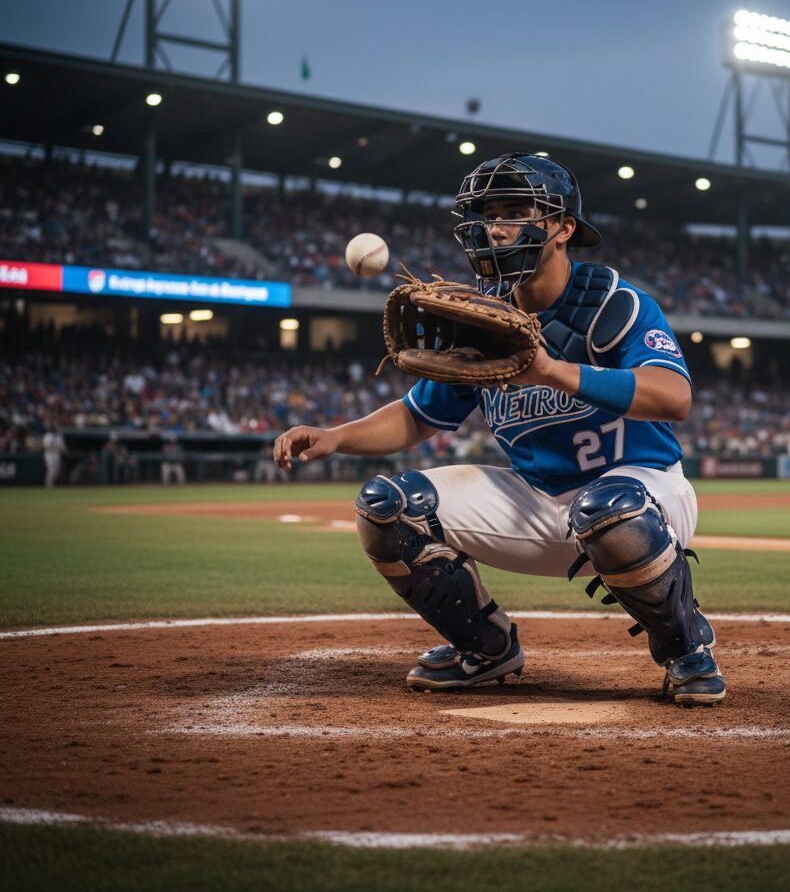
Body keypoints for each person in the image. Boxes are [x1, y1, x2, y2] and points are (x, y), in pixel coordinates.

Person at [274, 153, 725, 706]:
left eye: (515, 211)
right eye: (489, 214)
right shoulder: (485, 318)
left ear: (562, 227)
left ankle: (686, 648)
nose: (495, 226)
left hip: (644, 496)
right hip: (537, 503)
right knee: (388, 506)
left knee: (608, 509)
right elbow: (419, 416)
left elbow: (674, 397)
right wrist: (337, 435)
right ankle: (485, 647)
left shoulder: (614, 303)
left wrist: (553, 371)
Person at [42, 423, 66, 487]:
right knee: (51, 470)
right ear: (53, 429)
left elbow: (62, 447)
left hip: (57, 455)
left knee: (56, 471)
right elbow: (45, 447)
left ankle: (52, 483)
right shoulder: (48, 435)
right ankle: (48, 485)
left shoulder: (59, 436)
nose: (57, 429)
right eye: (56, 428)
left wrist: (63, 450)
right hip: (49, 455)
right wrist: (54, 448)